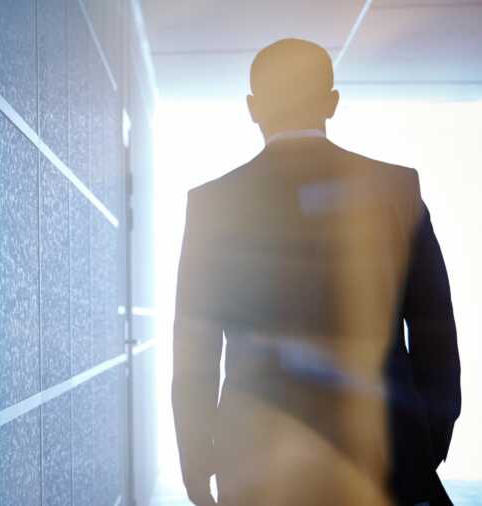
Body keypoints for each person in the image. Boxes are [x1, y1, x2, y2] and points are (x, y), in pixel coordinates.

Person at [171, 38, 461, 506]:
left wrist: (197, 460)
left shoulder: (212, 205)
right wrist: (430, 436)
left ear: (252, 109)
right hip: (389, 456)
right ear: (331, 103)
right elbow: (434, 325)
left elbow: (194, 347)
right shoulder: (396, 190)